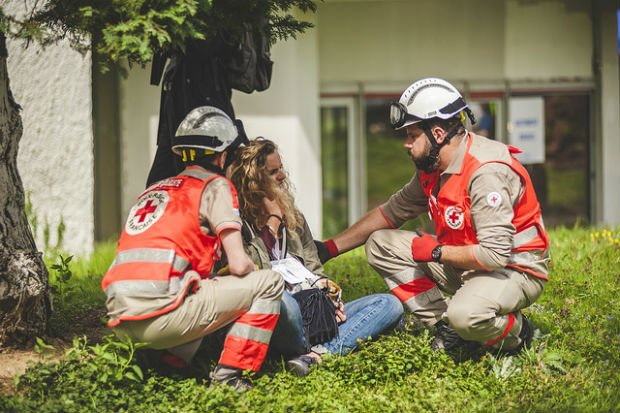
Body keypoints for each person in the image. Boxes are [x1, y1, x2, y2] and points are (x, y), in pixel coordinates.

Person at [316, 77, 550, 354]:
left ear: (438, 134)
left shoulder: (486, 173)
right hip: (466, 262)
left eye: (412, 135)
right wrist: (330, 248)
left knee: (467, 316)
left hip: (513, 269)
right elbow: (391, 212)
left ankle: (517, 332)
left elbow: (495, 255)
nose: (406, 144)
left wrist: (437, 252)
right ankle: (446, 326)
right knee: (381, 243)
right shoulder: (434, 167)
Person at [101, 106, 284, 391]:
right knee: (268, 283)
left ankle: (165, 364)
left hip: (121, 320)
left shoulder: (154, 190)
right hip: (163, 318)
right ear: (223, 154)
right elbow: (239, 264)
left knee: (199, 287)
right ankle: (230, 378)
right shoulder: (215, 186)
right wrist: (246, 269)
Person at [229, 138, 403, 376]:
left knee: (388, 304)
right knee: (279, 298)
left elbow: (314, 268)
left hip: (312, 313)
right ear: (252, 182)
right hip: (278, 315)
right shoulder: (236, 224)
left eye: (281, 168)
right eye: (273, 172)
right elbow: (254, 274)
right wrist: (272, 221)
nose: (282, 176)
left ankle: (314, 355)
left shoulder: (294, 219)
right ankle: (326, 346)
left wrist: (330, 297)